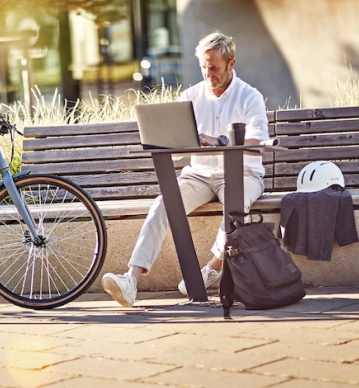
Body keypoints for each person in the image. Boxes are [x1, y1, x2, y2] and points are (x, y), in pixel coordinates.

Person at [101, 31, 270, 307]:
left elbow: (258, 144)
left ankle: (213, 268)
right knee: (162, 204)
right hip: (199, 175)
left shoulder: (249, 96)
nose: (208, 73)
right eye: (203, 67)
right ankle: (131, 280)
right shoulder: (190, 96)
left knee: (235, 209)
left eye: (214, 67)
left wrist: (220, 142)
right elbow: (177, 149)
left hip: (243, 174)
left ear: (231, 64)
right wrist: (175, 141)